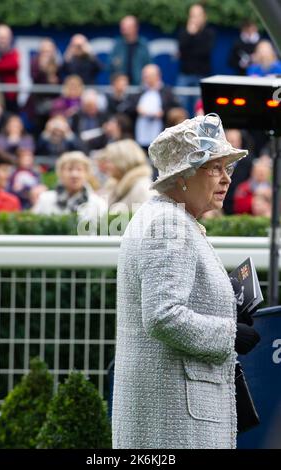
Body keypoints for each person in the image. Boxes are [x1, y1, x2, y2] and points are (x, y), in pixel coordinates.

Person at [112, 113, 260, 449]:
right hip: (176, 419)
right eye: (214, 168)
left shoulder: (170, 218)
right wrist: (231, 333)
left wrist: (228, 313)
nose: (226, 179)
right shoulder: (170, 225)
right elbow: (164, 316)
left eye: (228, 169)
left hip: (174, 412)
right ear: (183, 176)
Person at [32, 151, 107, 225]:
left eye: (79, 169)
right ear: (60, 173)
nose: (74, 175)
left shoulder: (98, 203)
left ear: (87, 174)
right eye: (69, 169)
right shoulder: (45, 199)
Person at [95, 139, 155, 212]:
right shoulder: (115, 186)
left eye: (109, 161)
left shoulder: (141, 188)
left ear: (122, 161)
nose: (106, 165)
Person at [177, 4, 215, 117]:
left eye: (198, 15)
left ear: (204, 17)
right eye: (192, 15)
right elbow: (182, 51)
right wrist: (190, 35)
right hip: (185, 74)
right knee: (180, 106)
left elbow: (204, 52)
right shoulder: (184, 32)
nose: (195, 18)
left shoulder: (210, 33)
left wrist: (193, 37)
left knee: (200, 109)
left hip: (202, 75)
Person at [109, 15, 150, 85]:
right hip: (121, 86)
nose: (123, 29)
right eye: (122, 26)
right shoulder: (117, 45)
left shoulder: (143, 45)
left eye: (127, 26)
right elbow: (109, 65)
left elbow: (149, 65)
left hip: (139, 86)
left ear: (135, 28)